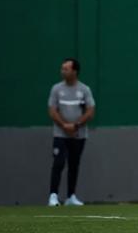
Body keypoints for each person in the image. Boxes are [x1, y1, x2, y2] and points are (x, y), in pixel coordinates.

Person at [47, 58, 96, 207]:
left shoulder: (84, 90)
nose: (63, 71)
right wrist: (64, 125)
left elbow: (90, 110)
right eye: (62, 68)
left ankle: (70, 197)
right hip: (60, 134)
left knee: (74, 164)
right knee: (59, 162)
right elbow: (52, 110)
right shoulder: (56, 89)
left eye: (66, 69)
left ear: (74, 71)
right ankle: (53, 196)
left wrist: (76, 125)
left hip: (78, 135)